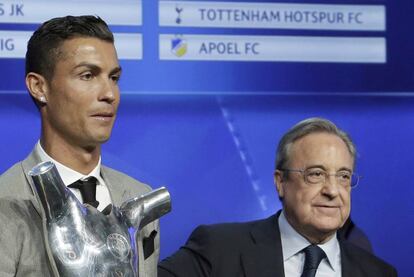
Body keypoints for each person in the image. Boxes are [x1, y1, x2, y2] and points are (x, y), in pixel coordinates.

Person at [0, 15, 159, 276]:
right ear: (39, 87)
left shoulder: (137, 195)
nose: (109, 94)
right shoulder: (7, 202)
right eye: (88, 75)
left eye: (114, 77)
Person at [158, 118, 397, 277]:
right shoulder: (218, 249)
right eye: (316, 174)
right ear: (280, 182)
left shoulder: (379, 273)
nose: (333, 191)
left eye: (343, 176)